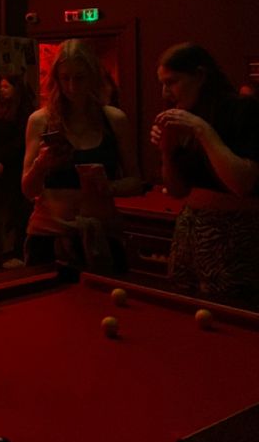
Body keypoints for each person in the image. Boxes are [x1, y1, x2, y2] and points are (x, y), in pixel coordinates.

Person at [151, 43, 259, 300]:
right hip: (190, 227)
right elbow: (177, 191)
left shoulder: (243, 110)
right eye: (163, 84)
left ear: (200, 75)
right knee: (184, 308)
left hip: (236, 234)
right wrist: (166, 151)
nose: (166, 92)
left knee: (231, 312)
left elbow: (242, 184)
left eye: (172, 82)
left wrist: (203, 131)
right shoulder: (186, 116)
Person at [22, 39, 141, 271]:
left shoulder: (114, 120)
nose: (72, 86)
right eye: (65, 78)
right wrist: (41, 165)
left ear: (93, 77)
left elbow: (136, 181)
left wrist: (109, 187)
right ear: (56, 79)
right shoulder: (40, 120)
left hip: (102, 234)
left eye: (79, 78)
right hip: (49, 236)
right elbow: (28, 190)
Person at [0, 72, 35, 267]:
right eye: (1, 87)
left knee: (17, 208)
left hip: (15, 166)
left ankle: (18, 252)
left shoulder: (23, 111)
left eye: (6, 87)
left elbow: (20, 141)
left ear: (16, 88)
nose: (2, 90)